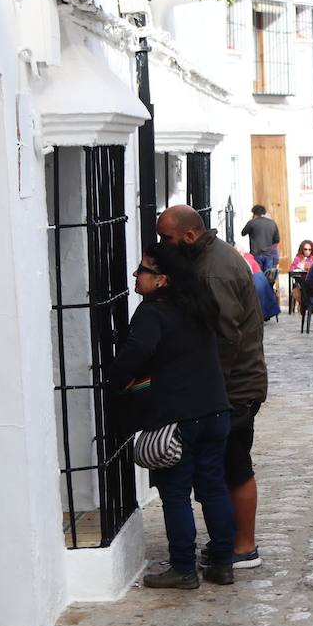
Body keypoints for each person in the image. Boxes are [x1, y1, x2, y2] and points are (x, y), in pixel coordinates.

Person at [108, 242, 236, 589]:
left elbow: (137, 352)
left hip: (178, 416)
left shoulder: (153, 312)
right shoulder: (198, 306)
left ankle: (183, 567)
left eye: (143, 270)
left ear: (162, 279)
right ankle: (223, 562)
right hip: (215, 409)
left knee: (175, 493)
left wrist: (112, 381)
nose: (135, 275)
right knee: (213, 488)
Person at [156, 205, 268, 572]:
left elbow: (226, 337)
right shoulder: (209, 259)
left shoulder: (215, 270)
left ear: (189, 236)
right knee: (224, 467)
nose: (163, 246)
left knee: (235, 466)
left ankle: (243, 546)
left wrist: (206, 386)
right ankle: (230, 542)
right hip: (231, 384)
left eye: (167, 239)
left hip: (233, 387)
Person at [241, 205, 280, 274]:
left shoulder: (252, 223)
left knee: (258, 275)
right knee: (268, 276)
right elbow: (277, 240)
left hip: (256, 254)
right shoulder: (272, 223)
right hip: (269, 254)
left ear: (254, 213)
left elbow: (243, 233)